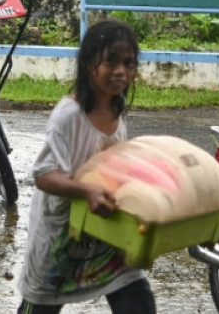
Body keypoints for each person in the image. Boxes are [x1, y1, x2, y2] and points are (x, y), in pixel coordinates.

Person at [17, 19, 156, 314]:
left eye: (129, 63)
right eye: (111, 61)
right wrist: (85, 190)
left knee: (138, 301)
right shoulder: (68, 115)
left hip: (105, 234)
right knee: (40, 305)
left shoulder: (117, 111)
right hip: (60, 238)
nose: (121, 71)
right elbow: (44, 174)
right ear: (89, 64)